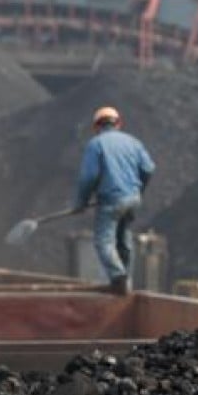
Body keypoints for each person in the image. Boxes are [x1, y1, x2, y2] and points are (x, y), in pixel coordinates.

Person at [73, 106, 155, 295]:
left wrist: (81, 202)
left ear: (96, 127)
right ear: (118, 123)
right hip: (132, 199)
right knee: (123, 238)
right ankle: (126, 281)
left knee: (104, 241)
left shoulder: (96, 144)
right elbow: (149, 169)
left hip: (111, 200)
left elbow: (89, 176)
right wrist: (138, 190)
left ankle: (118, 277)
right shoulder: (134, 142)